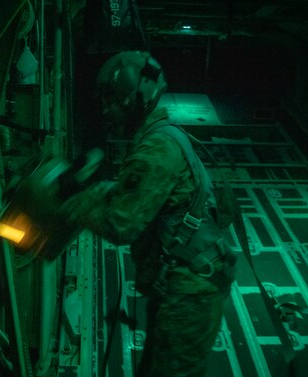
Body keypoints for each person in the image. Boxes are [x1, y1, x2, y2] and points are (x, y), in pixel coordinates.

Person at [60, 50, 237, 377]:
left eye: (111, 100)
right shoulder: (163, 135)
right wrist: (94, 188)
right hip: (185, 283)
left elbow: (120, 224)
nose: (105, 109)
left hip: (189, 294)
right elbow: (140, 193)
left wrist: (71, 203)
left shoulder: (155, 149)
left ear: (132, 100)